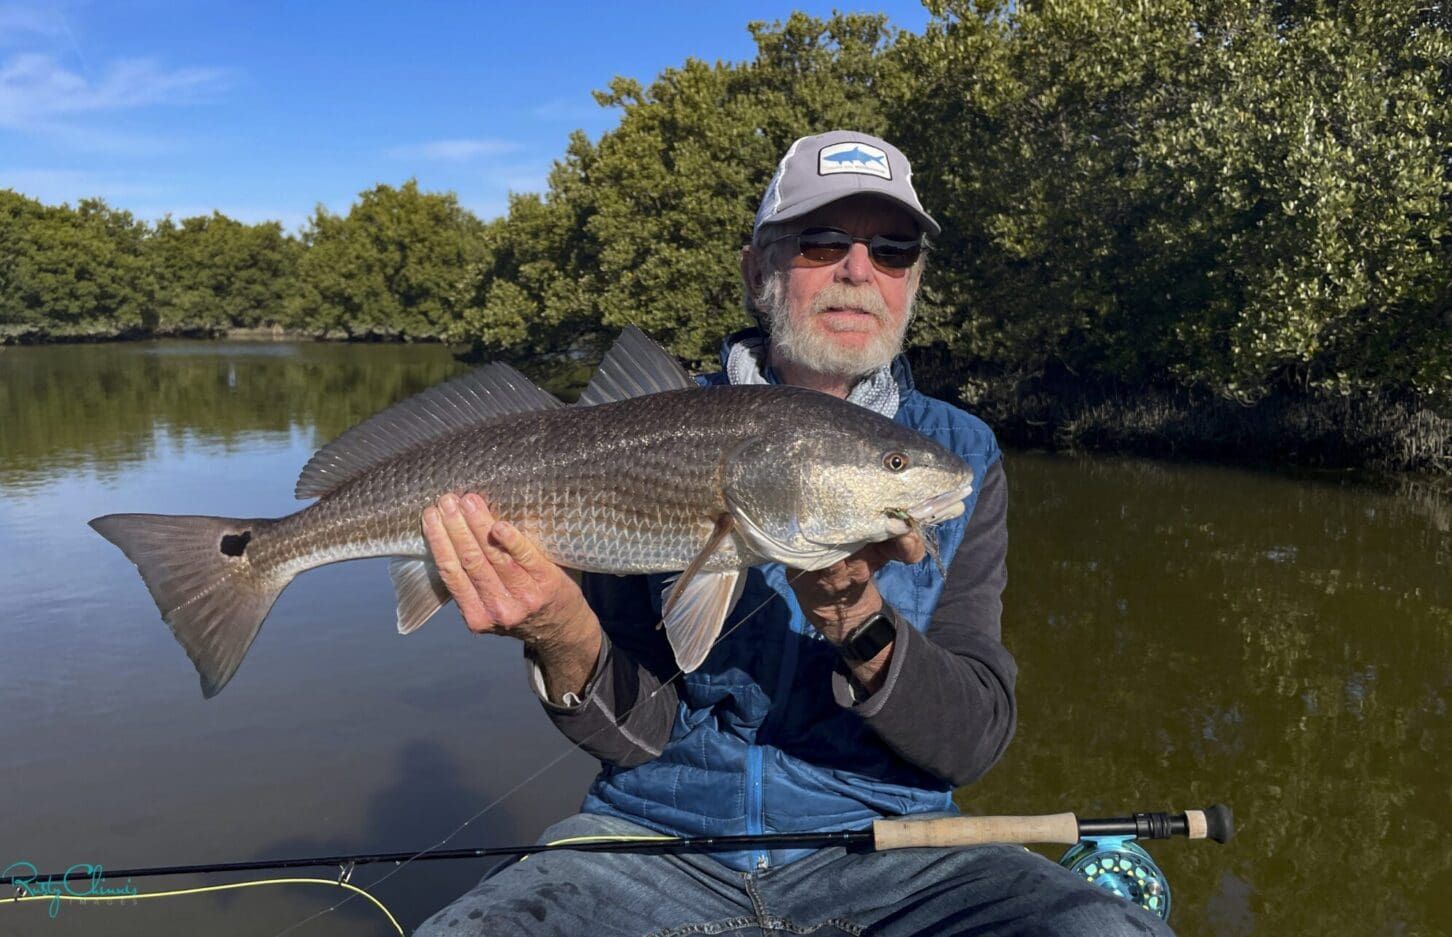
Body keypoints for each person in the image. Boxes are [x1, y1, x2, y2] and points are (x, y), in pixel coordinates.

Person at [413, 131, 1172, 937]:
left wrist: (859, 621)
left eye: (892, 248)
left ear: (912, 280)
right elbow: (639, 740)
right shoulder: (631, 436)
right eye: (821, 241)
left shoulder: (961, 457)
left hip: (900, 857)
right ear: (757, 272)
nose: (857, 269)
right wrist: (558, 631)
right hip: (646, 847)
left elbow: (972, 741)